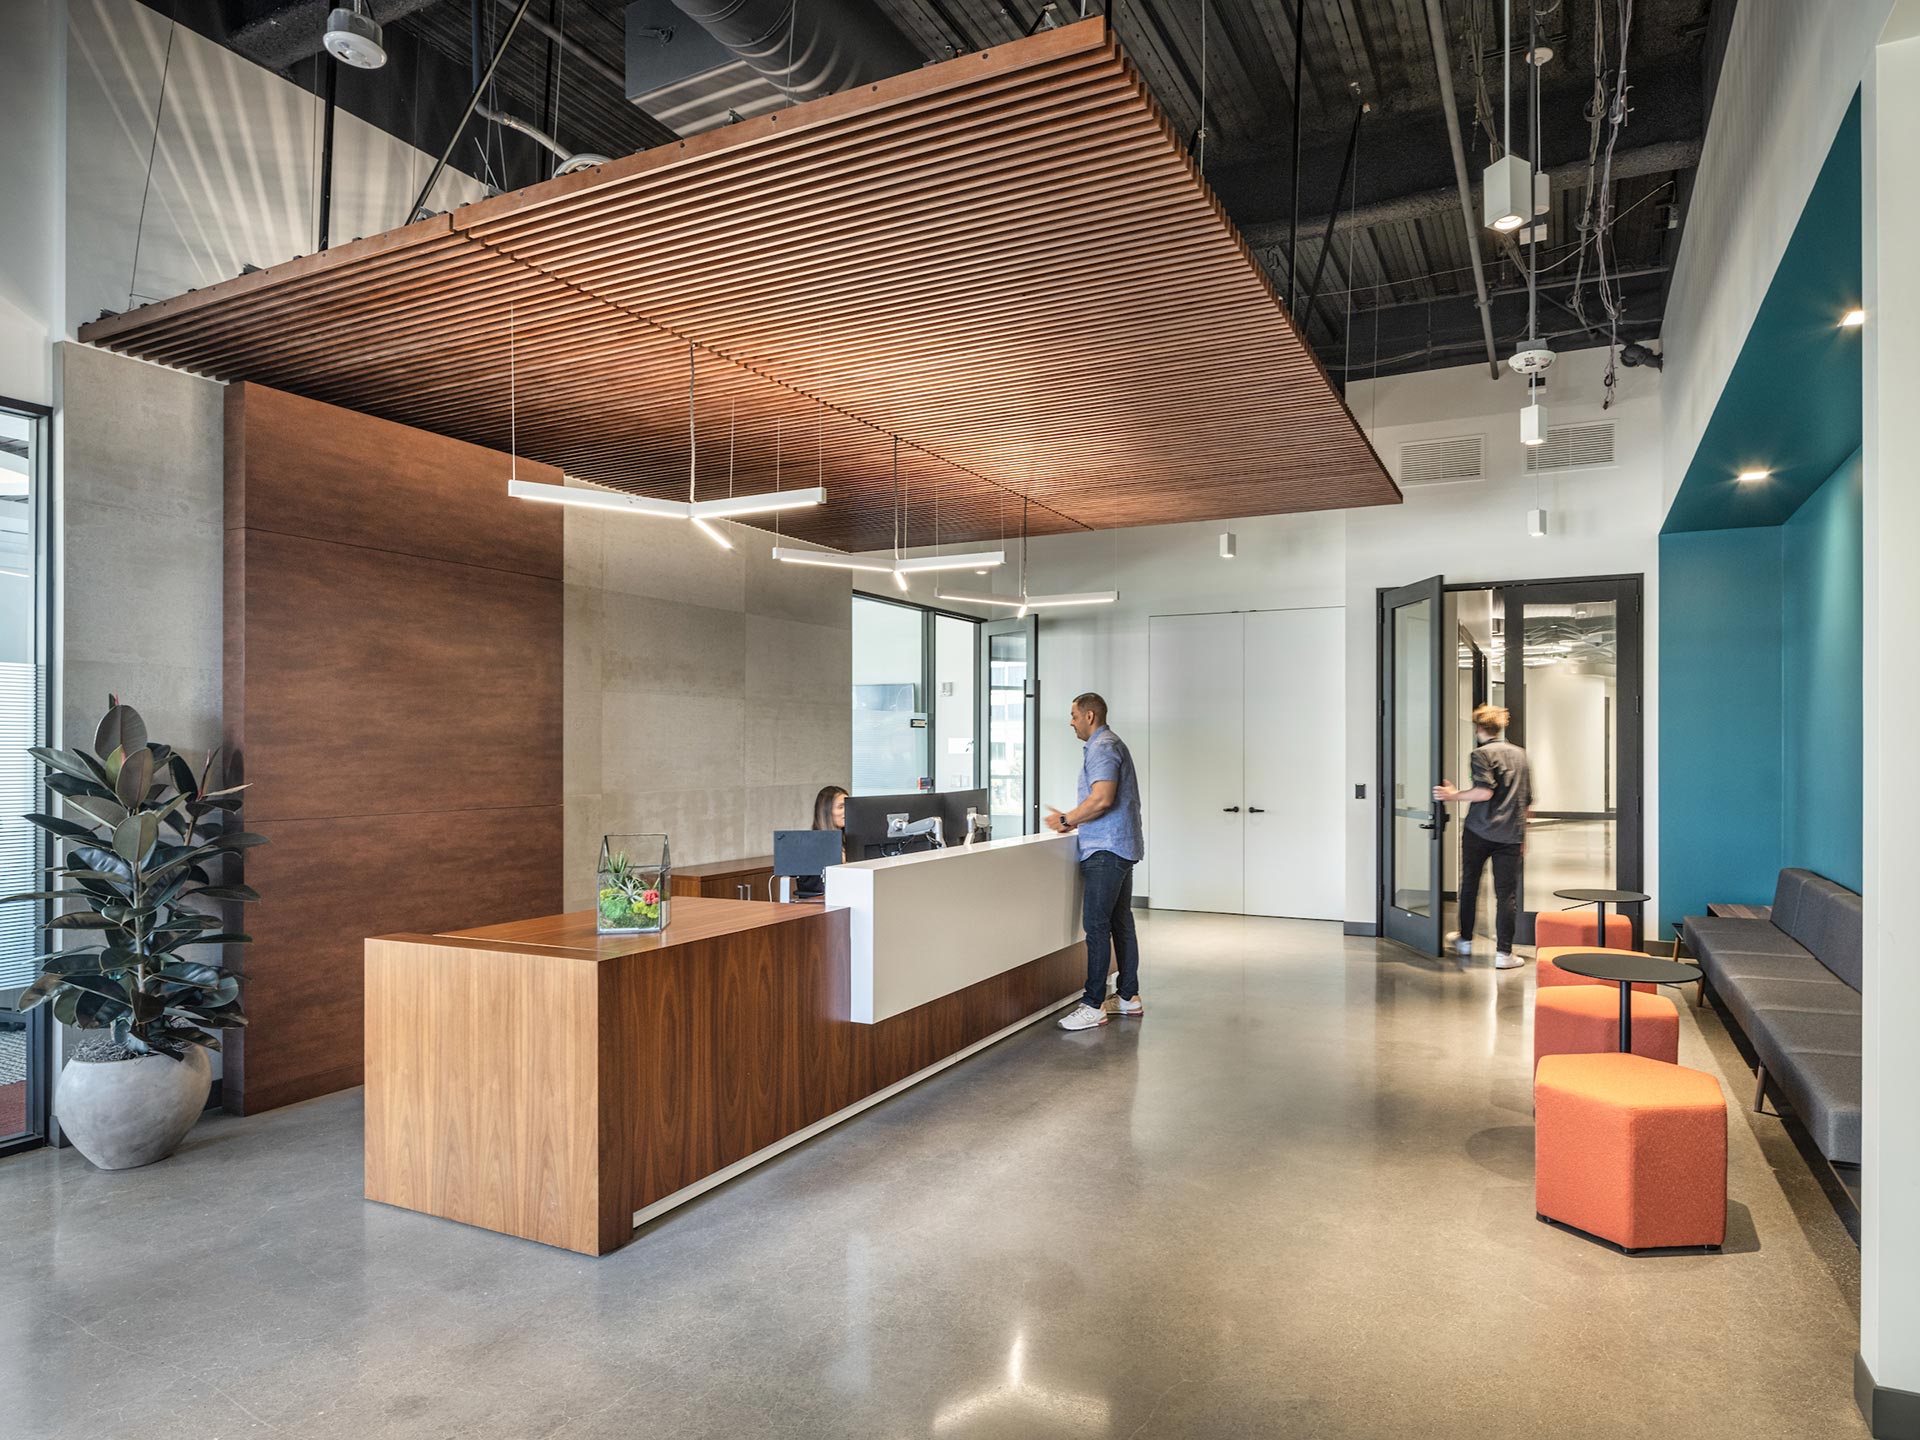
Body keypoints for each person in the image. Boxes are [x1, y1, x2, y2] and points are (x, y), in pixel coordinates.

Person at [1046, 693, 1145, 1030]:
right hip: (1119, 846)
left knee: (1098, 927)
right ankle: (1128, 997)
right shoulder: (1109, 745)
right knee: (1120, 923)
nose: (1070, 721)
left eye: (1073, 715)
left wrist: (1067, 820)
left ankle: (1093, 1004)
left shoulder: (1103, 747)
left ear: (1090, 716)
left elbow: (1102, 799)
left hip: (1106, 849)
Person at [1433, 704, 1532, 970]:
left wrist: (1452, 795)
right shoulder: (1521, 755)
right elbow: (1526, 801)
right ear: (1500, 726)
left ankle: (1465, 939)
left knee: (1470, 885)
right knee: (1506, 894)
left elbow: (1484, 792)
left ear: (1478, 728)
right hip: (1511, 833)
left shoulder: (1480, 754)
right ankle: (1504, 954)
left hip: (1478, 831)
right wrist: (1524, 836)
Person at [811, 784, 848, 861]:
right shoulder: (814, 845)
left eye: (848, 805)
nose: (847, 810)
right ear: (826, 811)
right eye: (840, 807)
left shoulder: (851, 841)